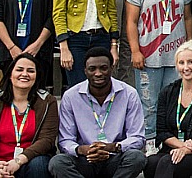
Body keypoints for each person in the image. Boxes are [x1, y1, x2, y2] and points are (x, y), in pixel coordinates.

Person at [49, 47, 146, 178]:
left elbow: (137, 138)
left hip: (115, 157)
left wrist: (112, 147)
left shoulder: (129, 94)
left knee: (137, 158)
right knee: (57, 163)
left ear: (112, 68)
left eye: (103, 68)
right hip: (85, 159)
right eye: (92, 69)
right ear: (85, 71)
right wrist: (83, 150)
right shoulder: (71, 96)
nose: (98, 73)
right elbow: (65, 140)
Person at [0, 54, 59, 178]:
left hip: (29, 160)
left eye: (30, 71)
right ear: (10, 74)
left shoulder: (47, 101)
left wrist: (18, 161)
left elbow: (46, 140)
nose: (24, 74)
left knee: (39, 164)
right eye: (19, 70)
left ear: (37, 76)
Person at [145, 40, 192, 178]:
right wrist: (182, 146)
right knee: (151, 162)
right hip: (173, 148)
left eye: (190, 62)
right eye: (181, 63)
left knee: (168, 162)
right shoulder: (168, 92)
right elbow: (162, 132)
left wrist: (186, 150)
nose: (186, 67)